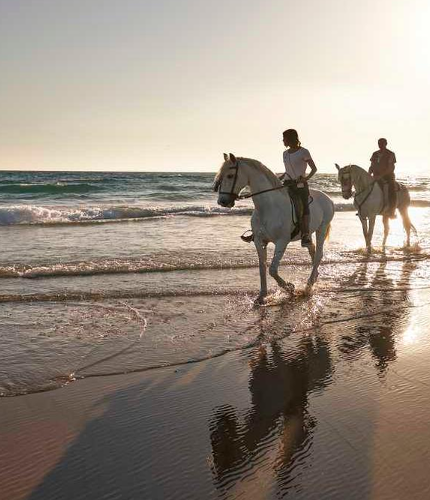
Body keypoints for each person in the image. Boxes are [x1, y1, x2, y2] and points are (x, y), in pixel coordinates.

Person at [281, 129, 317, 247]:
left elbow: (314, 169)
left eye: (284, 138)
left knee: (303, 207)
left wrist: (305, 179)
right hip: (287, 184)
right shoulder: (285, 154)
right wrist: (278, 178)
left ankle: (305, 235)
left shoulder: (303, 152)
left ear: (291, 138)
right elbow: (287, 171)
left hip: (300, 186)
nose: (283, 140)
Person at [369, 138, 397, 218]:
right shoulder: (375, 154)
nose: (380, 145)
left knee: (391, 190)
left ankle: (392, 210)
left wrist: (380, 176)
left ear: (385, 144)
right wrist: (369, 173)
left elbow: (390, 168)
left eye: (381, 143)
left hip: (388, 176)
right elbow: (372, 165)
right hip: (375, 175)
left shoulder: (390, 154)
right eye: (379, 143)